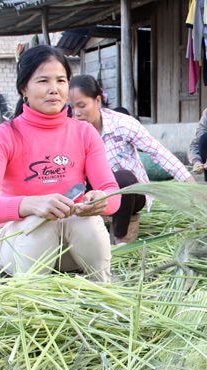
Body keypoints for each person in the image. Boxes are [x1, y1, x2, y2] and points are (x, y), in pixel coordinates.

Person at [0, 45, 121, 282]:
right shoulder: (4, 136)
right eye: (43, 81)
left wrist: (100, 200)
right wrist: (30, 205)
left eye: (61, 80)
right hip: (22, 245)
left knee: (87, 222)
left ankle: (103, 292)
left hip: (75, 250)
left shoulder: (84, 133)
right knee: (44, 224)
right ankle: (31, 298)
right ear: (23, 89)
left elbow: (114, 194)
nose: (54, 89)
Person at [68, 75, 196, 245]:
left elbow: (157, 152)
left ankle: (120, 238)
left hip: (130, 194)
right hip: (93, 197)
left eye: (82, 105)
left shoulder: (122, 124)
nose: (76, 113)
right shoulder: (71, 130)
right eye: (72, 107)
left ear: (97, 101)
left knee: (123, 178)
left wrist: (190, 182)